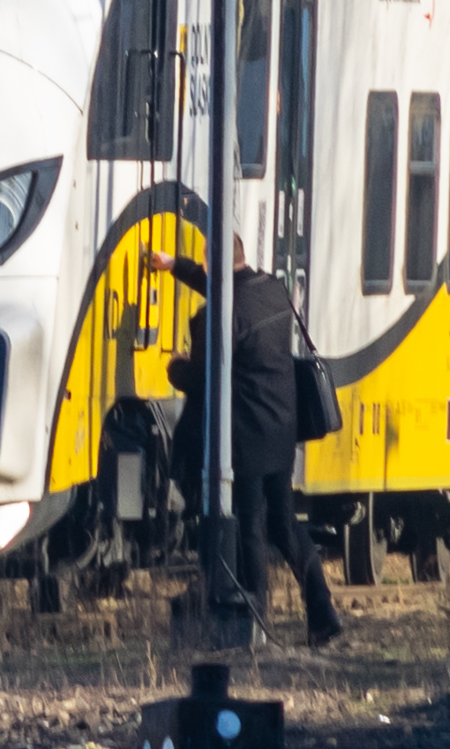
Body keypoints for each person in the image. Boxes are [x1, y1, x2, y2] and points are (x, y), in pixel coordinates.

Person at [144, 244, 340, 640]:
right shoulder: (270, 287)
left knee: (251, 524)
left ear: (211, 262)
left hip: (247, 433)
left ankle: (257, 621)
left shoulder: (220, 314)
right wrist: (173, 266)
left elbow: (203, 380)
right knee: (285, 524)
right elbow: (227, 290)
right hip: (283, 427)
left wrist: (175, 367)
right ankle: (323, 615)